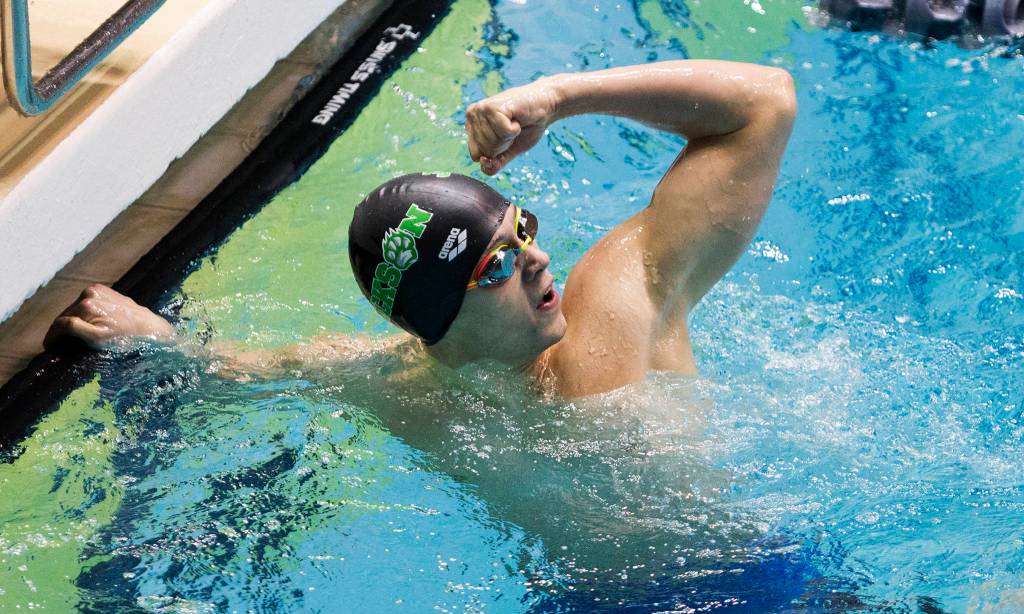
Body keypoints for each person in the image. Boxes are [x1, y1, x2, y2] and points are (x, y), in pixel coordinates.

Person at [47, 59, 796, 399]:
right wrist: (158, 341)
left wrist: (560, 96)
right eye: (496, 266)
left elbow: (766, 102)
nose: (538, 261)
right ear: (438, 326)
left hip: (747, 597)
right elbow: (258, 368)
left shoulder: (622, 305)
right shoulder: (407, 386)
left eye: (522, 230)